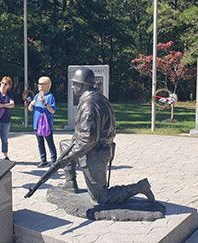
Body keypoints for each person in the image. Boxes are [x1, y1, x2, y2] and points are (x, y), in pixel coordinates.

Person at [58, 67, 155, 204]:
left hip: (95, 153)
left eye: (75, 84)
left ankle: (140, 187)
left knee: (100, 198)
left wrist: (67, 158)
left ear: (82, 86)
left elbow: (88, 139)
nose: (73, 86)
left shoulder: (89, 105)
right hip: (95, 147)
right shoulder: (96, 97)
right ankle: (70, 183)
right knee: (65, 145)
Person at [28, 76, 57, 167]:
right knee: (40, 143)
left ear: (47, 85)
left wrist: (45, 103)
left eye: (41, 84)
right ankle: (43, 160)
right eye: (39, 83)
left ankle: (54, 160)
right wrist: (31, 104)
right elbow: (30, 109)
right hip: (37, 124)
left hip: (47, 124)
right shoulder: (37, 96)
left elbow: (52, 110)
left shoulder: (50, 96)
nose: (39, 85)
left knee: (50, 142)